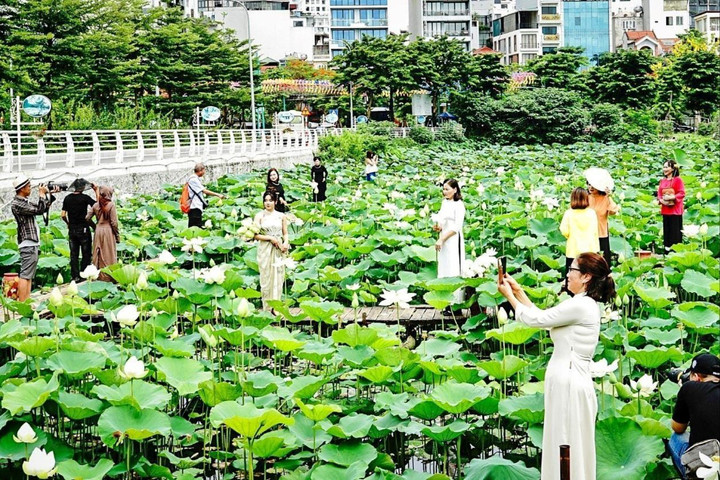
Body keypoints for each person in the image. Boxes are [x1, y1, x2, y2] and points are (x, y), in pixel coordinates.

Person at [498, 252, 616, 480]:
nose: (567, 274)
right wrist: (518, 291)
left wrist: (510, 298)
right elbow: (544, 318)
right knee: (564, 441)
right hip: (568, 381)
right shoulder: (579, 304)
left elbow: (536, 320)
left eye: (571, 270)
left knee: (566, 442)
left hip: (570, 384)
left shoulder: (582, 306)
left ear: (586, 277)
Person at [668, 353, 720, 477]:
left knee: (676, 439)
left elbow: (677, 428)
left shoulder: (689, 388)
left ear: (696, 377)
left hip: (706, 469)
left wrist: (687, 398)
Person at [10, 175, 56, 301]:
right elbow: (40, 210)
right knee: (25, 275)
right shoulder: (17, 204)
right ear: (22, 189)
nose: (30, 189)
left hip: (32, 243)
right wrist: (41, 194)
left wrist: (49, 195)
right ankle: (23, 303)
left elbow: (43, 207)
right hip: (27, 243)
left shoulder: (24, 202)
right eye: (29, 187)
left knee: (29, 275)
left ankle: (27, 300)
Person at [253, 191, 290, 311]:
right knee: (266, 277)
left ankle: (276, 307)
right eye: (265, 200)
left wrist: (285, 243)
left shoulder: (281, 216)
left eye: (270, 200)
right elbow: (255, 235)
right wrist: (270, 238)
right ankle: (267, 308)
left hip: (279, 248)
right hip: (265, 248)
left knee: (278, 276)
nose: (267, 203)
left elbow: (285, 233)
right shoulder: (259, 216)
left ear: (275, 201)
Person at [432, 179, 466, 309]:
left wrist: (442, 239)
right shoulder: (444, 203)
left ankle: (455, 304)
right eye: (443, 189)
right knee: (444, 268)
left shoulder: (459, 205)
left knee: (453, 269)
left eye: (447, 189)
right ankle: (445, 302)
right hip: (443, 238)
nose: (444, 192)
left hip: (453, 239)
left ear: (455, 189)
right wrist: (438, 227)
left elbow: (456, 227)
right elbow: (442, 219)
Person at [61, 179, 97, 282]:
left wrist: (68, 223)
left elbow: (63, 215)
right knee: (86, 253)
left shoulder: (67, 198)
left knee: (74, 254)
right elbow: (97, 206)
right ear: (82, 187)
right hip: (84, 229)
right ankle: (84, 275)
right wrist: (96, 190)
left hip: (72, 229)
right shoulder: (85, 198)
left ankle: (75, 276)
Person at [560, 188, 599, 277]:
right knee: (588, 277)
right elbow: (595, 232)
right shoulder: (592, 213)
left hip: (573, 250)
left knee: (572, 277)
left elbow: (564, 231)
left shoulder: (569, 213)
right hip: (590, 251)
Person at [86, 185, 120, 282]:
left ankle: (98, 275)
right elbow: (114, 223)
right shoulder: (111, 205)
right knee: (108, 253)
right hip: (108, 230)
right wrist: (117, 235)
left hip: (98, 229)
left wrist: (94, 226)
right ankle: (109, 277)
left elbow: (87, 218)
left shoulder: (96, 205)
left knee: (98, 252)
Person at [586, 180, 619, 268]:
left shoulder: (605, 198)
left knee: (603, 261)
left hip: (601, 232)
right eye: (589, 185)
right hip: (587, 233)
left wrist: (609, 196)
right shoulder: (586, 197)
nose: (591, 187)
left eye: (593, 185)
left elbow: (613, 211)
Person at [658, 159, 685, 251]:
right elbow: (659, 194)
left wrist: (672, 197)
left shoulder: (678, 180)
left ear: (673, 169)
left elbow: (681, 193)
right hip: (665, 210)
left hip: (675, 211)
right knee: (667, 233)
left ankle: (676, 254)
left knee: (675, 234)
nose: (664, 169)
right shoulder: (663, 181)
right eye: (664, 167)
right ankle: (667, 253)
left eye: (667, 167)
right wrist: (661, 200)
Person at [188, 163, 226, 228]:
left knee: (195, 227)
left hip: (196, 207)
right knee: (195, 228)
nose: (204, 172)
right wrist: (218, 195)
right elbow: (204, 191)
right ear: (200, 170)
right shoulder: (193, 179)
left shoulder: (194, 178)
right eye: (204, 170)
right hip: (194, 207)